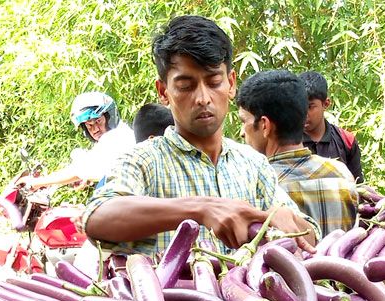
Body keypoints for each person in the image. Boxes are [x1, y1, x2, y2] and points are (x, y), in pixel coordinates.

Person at [82, 16, 318, 256]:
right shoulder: (143, 161)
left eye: (214, 82)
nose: (203, 98)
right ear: (164, 92)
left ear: (231, 83)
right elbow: (97, 217)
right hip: (172, 295)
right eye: (186, 86)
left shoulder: (253, 165)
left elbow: (310, 237)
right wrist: (199, 209)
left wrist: (284, 218)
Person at [236, 69, 360, 234]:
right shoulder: (342, 174)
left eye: (244, 121)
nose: (242, 132)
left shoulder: (256, 188)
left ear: (265, 125)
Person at [19, 92, 134, 190]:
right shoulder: (120, 133)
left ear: (110, 117)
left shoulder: (115, 137)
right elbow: (95, 165)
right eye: (89, 125)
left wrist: (36, 183)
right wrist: (88, 178)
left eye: (98, 121)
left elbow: (78, 170)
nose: (95, 129)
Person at [299, 71, 363, 183]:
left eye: (310, 107)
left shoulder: (346, 141)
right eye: (300, 106)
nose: (304, 113)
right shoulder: (288, 141)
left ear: (326, 104)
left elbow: (358, 188)